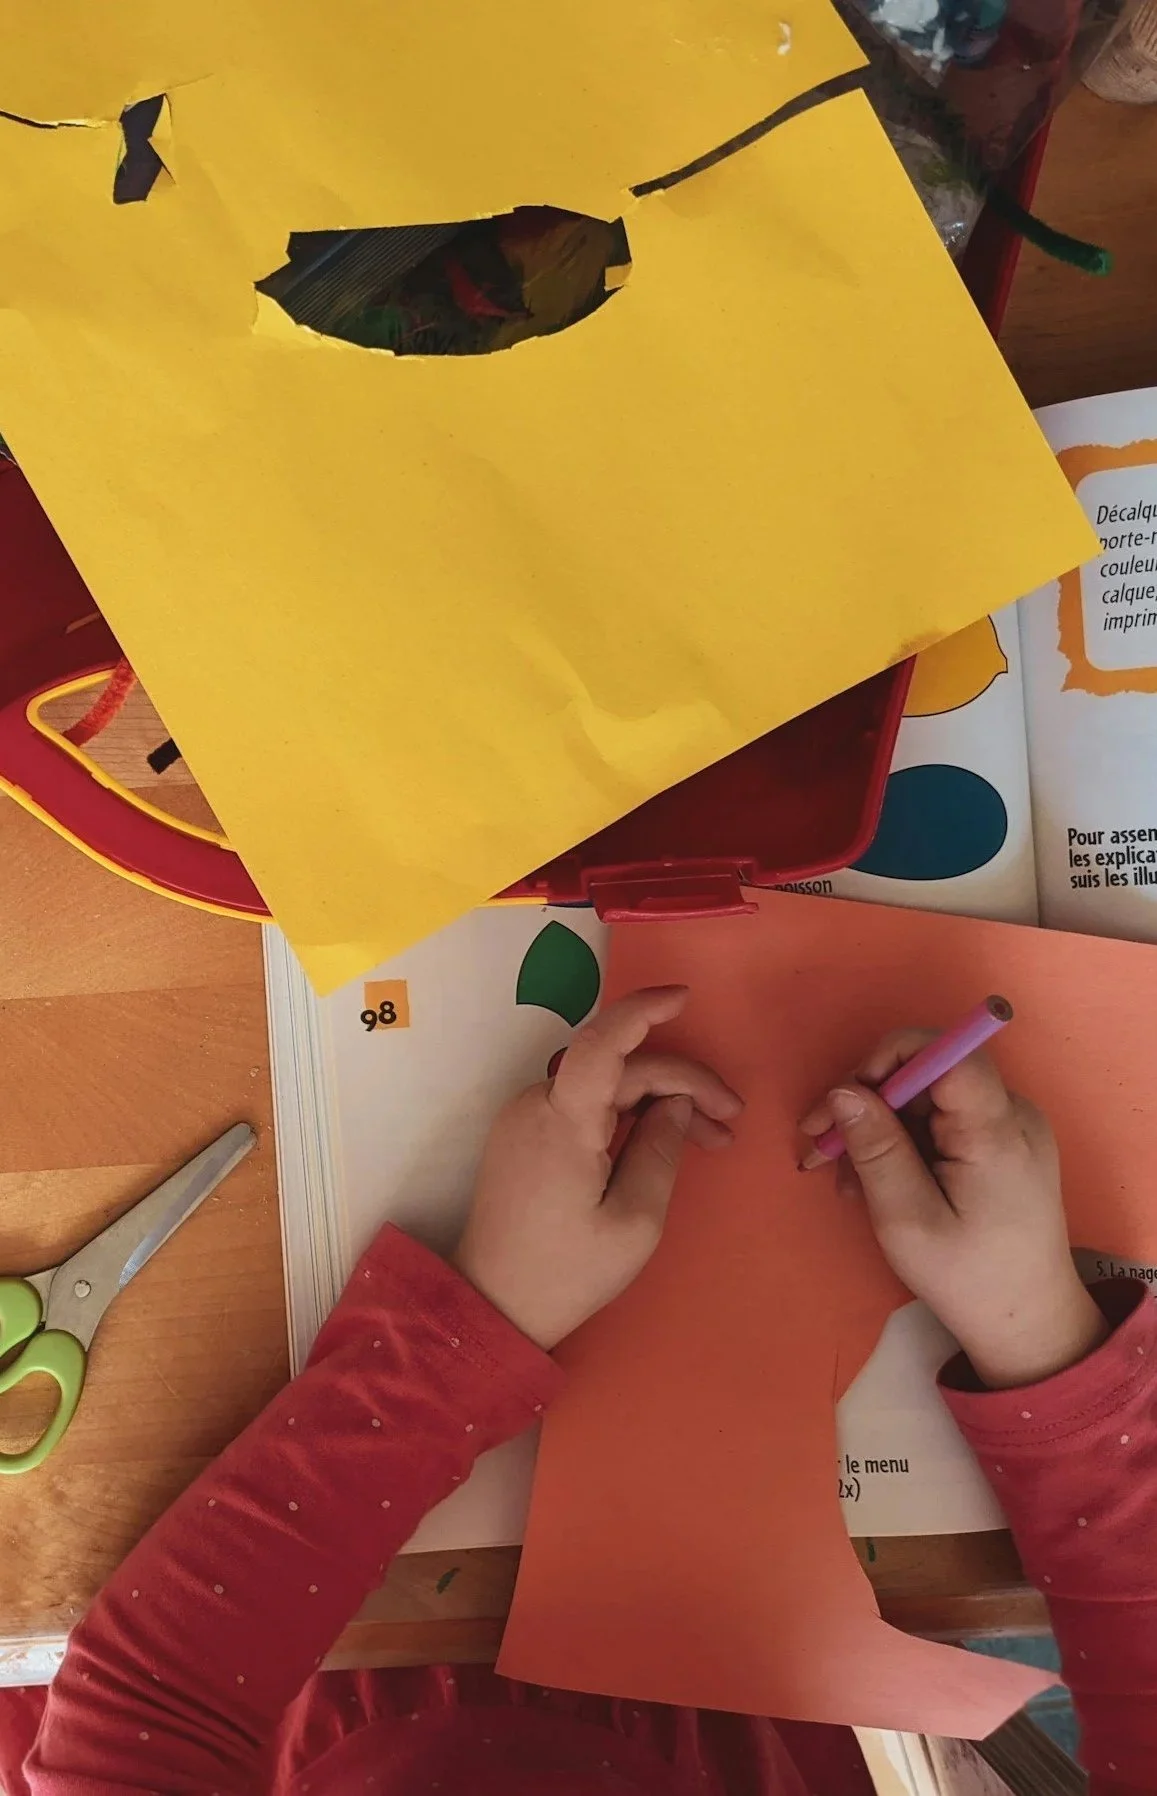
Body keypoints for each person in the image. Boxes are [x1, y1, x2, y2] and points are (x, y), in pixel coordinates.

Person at [1, 985, 1154, 1794]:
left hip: (291, 1695)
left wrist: (467, 1332)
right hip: (726, 1701)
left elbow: (149, 1709)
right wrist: (1037, 1334)